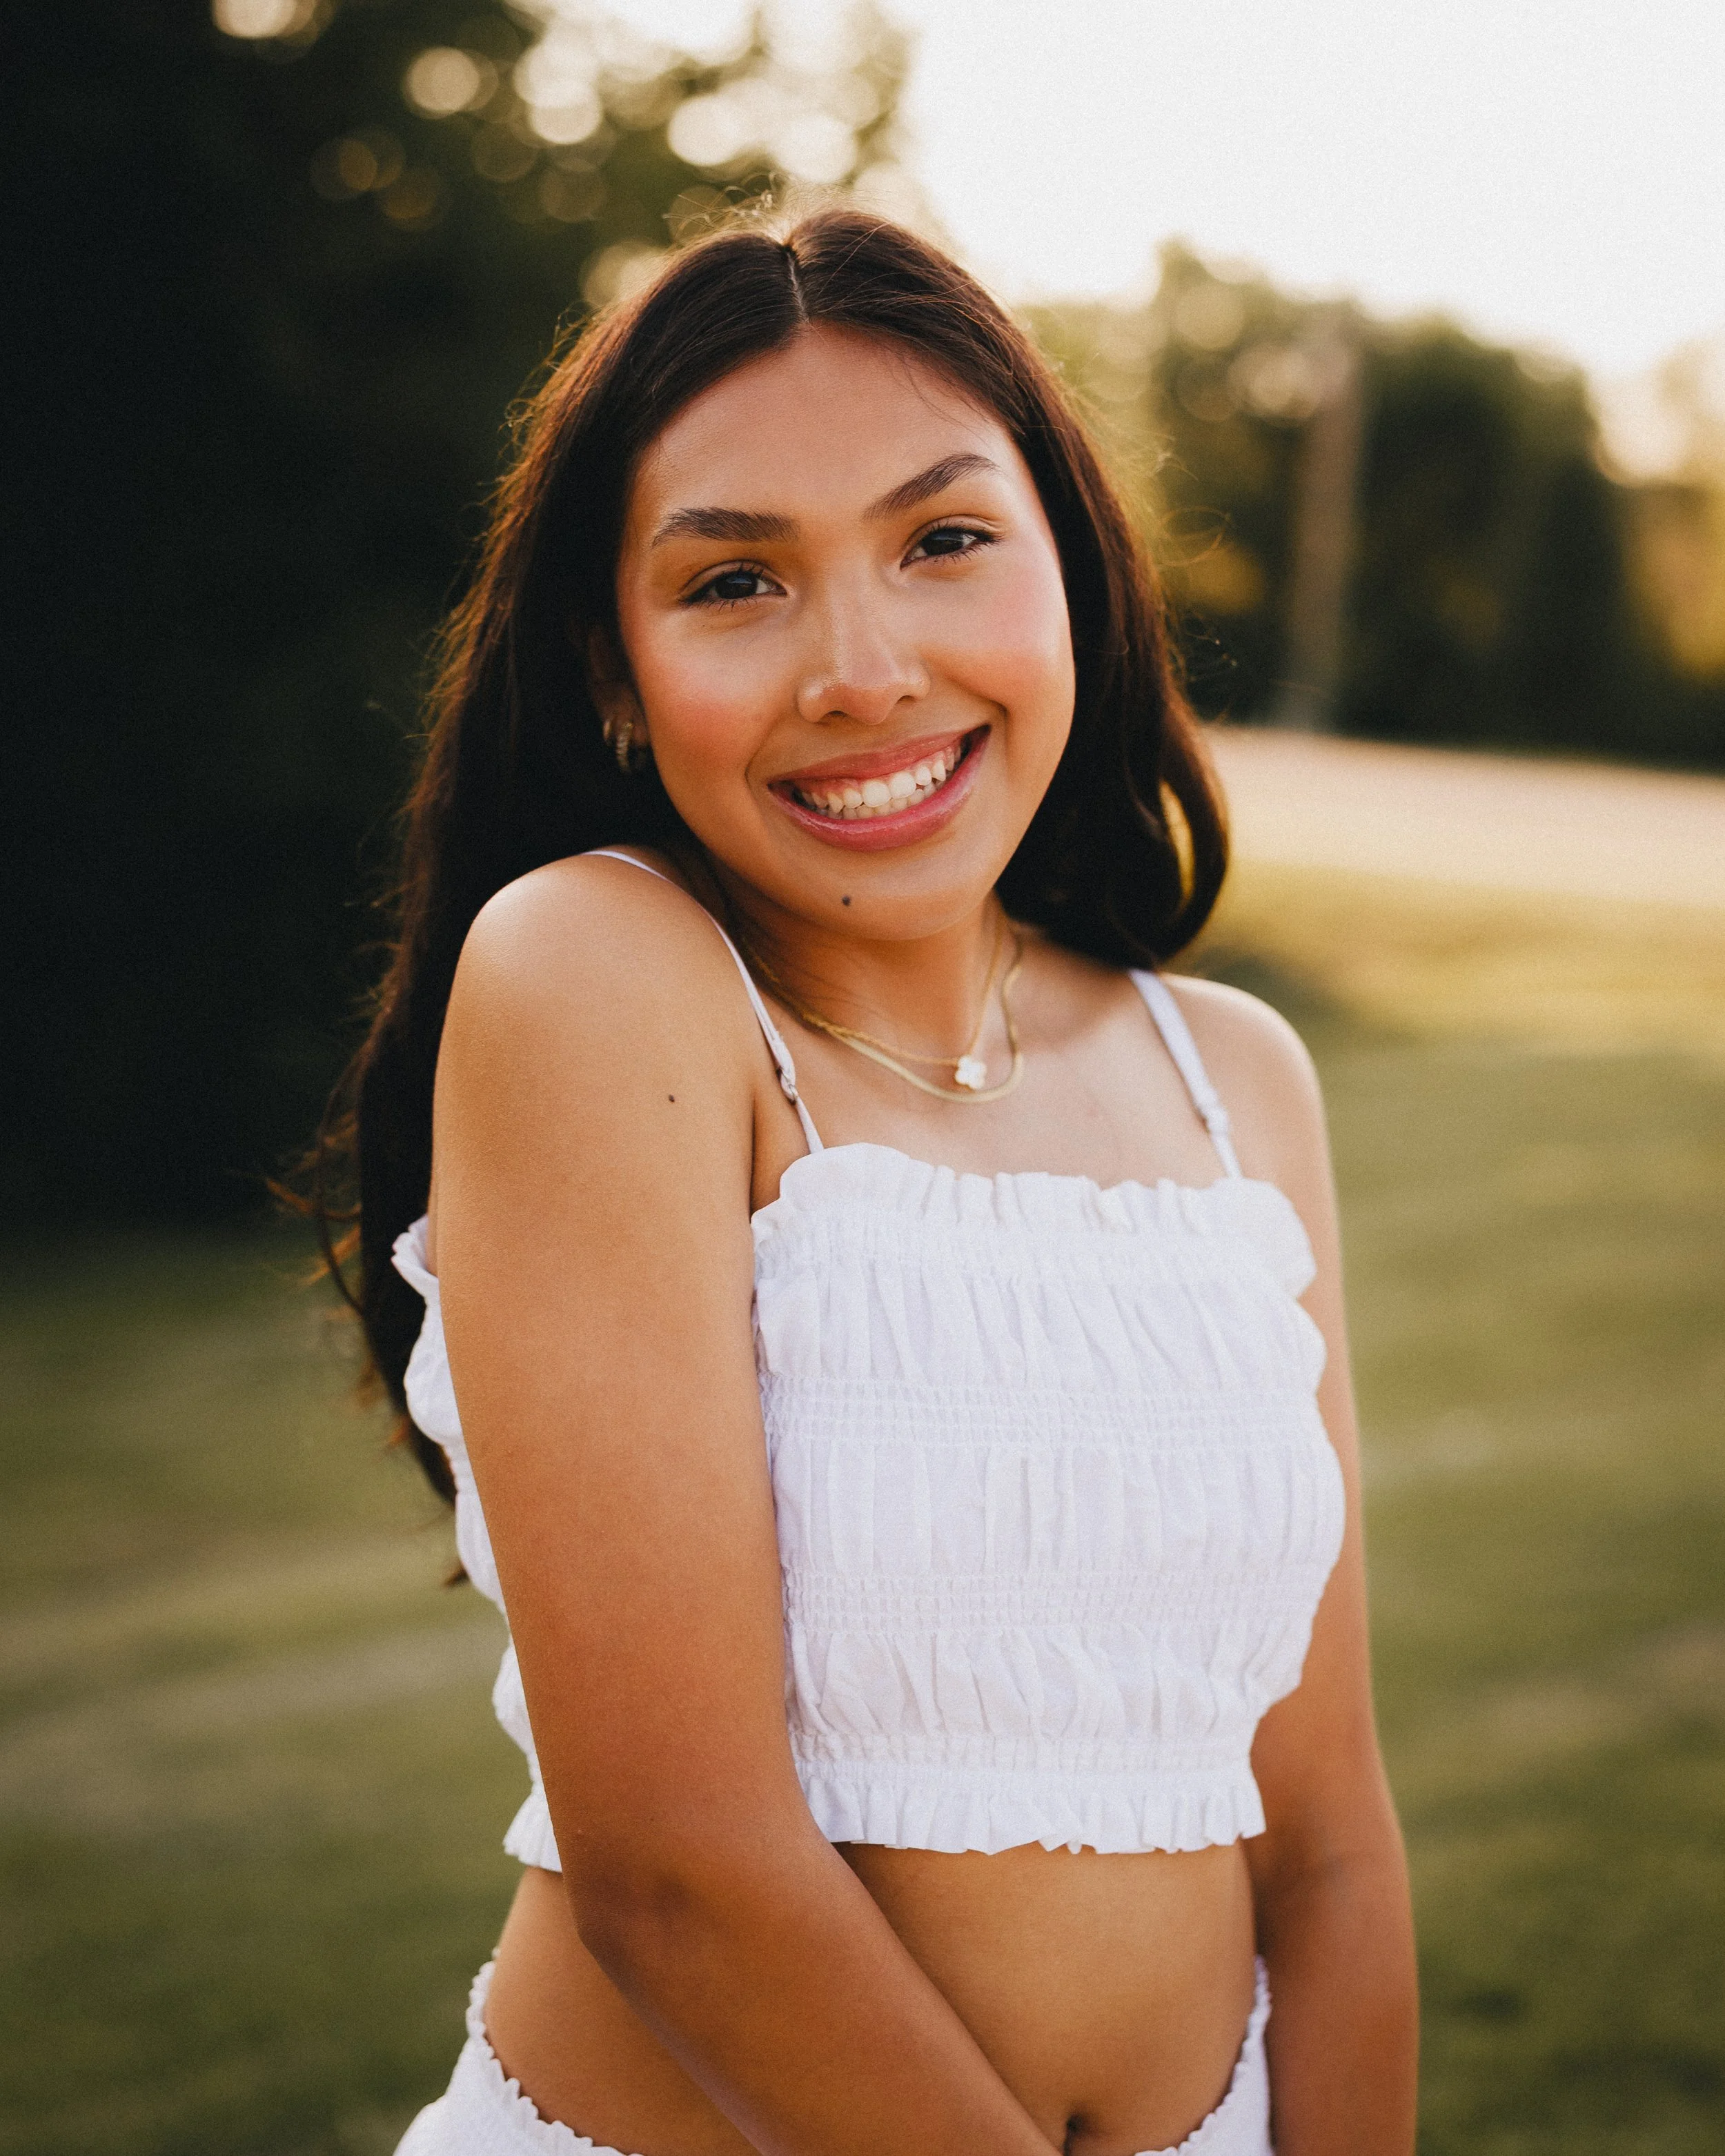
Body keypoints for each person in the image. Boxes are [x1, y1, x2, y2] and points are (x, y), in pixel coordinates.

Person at [321, 205, 1417, 2156]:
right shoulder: (599, 976)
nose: (863, 667)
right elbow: (679, 1866)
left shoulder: (1231, 1076)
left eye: (941, 540)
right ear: (610, 669)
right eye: (735, 581)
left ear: (1065, 566)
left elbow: (1324, 1837)